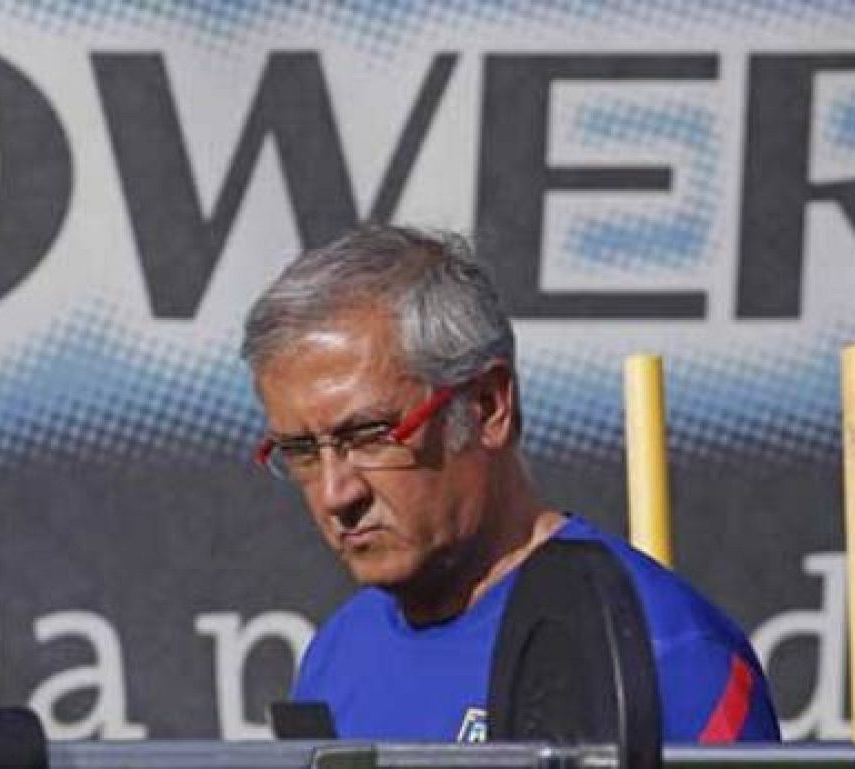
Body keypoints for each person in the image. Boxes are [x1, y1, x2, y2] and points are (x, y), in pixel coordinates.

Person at [241, 224, 779, 743]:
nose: (337, 494)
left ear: (488, 406)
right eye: (302, 451)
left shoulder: (667, 655)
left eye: (370, 435)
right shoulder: (336, 654)